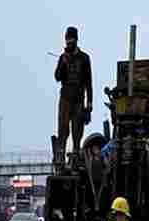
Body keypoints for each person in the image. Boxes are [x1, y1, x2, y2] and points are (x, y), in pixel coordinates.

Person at [55, 26, 93, 164]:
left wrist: (90, 103)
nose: (68, 42)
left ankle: (76, 154)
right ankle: (60, 155)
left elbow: (89, 81)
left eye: (71, 39)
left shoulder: (84, 58)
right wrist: (62, 64)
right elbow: (57, 77)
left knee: (77, 130)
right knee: (63, 129)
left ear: (76, 39)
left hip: (78, 99)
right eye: (67, 39)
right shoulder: (62, 57)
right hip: (65, 99)